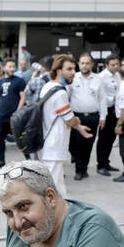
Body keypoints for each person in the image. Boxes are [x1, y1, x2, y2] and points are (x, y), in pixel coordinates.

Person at [38, 55, 93, 196]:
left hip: (47, 141)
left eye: (74, 68)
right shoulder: (59, 92)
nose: (73, 72)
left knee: (57, 183)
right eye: (69, 69)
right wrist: (78, 122)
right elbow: (70, 120)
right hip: (54, 144)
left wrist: (78, 127)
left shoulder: (48, 87)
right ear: (58, 71)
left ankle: (64, 210)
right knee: (53, 185)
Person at [69, 53, 106, 180]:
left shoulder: (98, 79)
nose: (85, 66)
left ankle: (82, 170)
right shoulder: (73, 78)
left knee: (88, 144)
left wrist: (103, 117)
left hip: (93, 117)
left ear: (92, 64)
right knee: (76, 144)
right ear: (78, 64)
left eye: (87, 63)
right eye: (82, 63)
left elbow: (102, 99)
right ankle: (79, 165)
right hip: (76, 117)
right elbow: (67, 97)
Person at [0, 60, 27, 168]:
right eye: (10, 66)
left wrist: (18, 111)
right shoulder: (0, 82)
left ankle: (28, 160)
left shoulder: (19, 81)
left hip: (14, 117)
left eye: (14, 66)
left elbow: (23, 97)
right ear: (4, 67)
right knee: (0, 139)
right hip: (1, 116)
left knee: (21, 139)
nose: (12, 69)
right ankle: (1, 160)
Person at [96, 56, 121, 175]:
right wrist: (112, 98)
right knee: (103, 139)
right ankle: (101, 165)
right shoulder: (101, 77)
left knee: (111, 138)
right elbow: (99, 96)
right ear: (107, 65)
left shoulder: (118, 76)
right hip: (106, 110)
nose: (116, 67)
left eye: (117, 64)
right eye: (113, 65)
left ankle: (106, 162)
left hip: (116, 110)